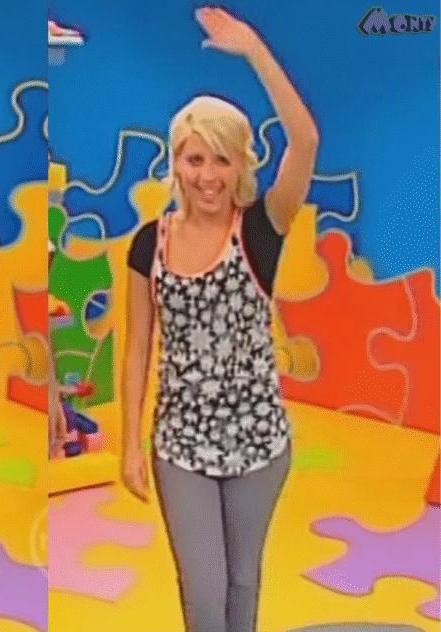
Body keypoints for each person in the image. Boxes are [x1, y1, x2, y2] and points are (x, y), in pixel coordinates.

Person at [121, 7, 318, 631]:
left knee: (242, 584)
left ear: (240, 166)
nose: (208, 176)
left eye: (221, 160)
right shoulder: (149, 243)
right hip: (181, 443)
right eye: (194, 159)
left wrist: (254, 49)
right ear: (176, 163)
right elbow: (137, 350)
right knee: (204, 593)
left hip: (259, 440)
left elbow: (306, 141)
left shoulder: (263, 227)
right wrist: (128, 445)